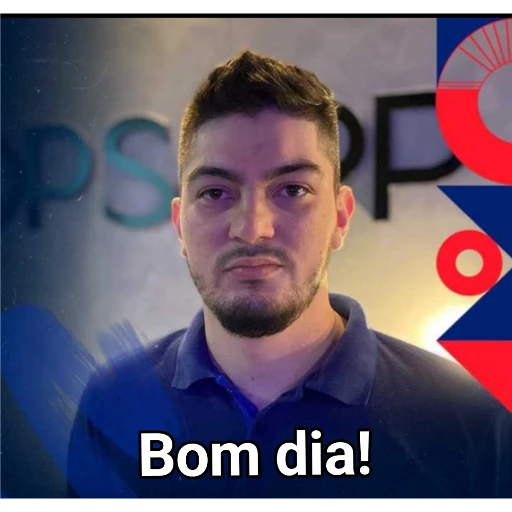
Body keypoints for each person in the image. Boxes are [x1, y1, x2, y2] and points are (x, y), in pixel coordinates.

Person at [66, 50, 512, 502]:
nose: (252, 228)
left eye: (292, 189)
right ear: (180, 225)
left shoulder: (464, 418)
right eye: (215, 192)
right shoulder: (114, 402)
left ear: (340, 217)